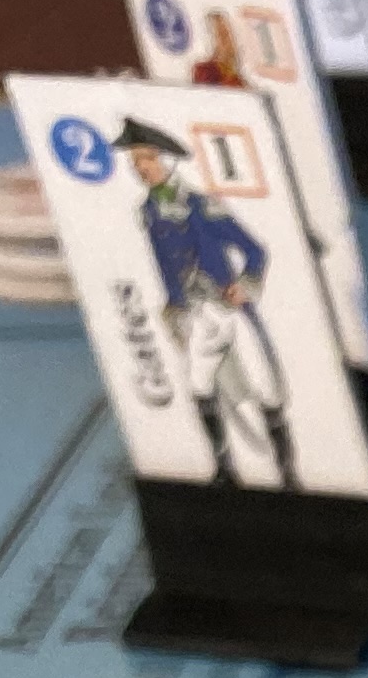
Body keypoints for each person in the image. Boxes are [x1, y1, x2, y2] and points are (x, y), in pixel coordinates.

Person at [122, 117, 297, 491]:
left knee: (265, 386)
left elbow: (253, 249)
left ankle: (287, 472)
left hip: (226, 307)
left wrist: (246, 284)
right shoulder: (148, 211)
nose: (141, 168)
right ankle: (223, 469)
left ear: (167, 160)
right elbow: (164, 265)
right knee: (200, 388)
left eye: (147, 159)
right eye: (136, 162)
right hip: (195, 314)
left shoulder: (202, 205)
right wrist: (174, 307)